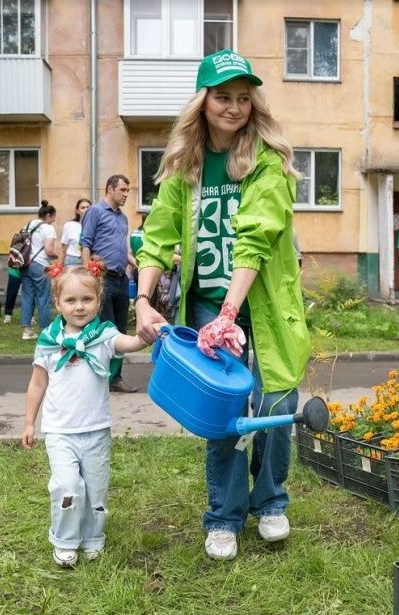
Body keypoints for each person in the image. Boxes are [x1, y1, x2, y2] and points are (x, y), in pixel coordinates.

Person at [133, 49, 310, 561]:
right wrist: (144, 300)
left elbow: (255, 238)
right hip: (209, 301)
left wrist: (233, 313)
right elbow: (158, 237)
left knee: (277, 402)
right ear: (203, 102)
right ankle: (225, 516)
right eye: (222, 97)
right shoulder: (184, 166)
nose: (234, 108)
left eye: (243, 98)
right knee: (225, 406)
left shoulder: (266, 162)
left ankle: (271, 500)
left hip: (264, 301)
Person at [22, 261, 157, 568]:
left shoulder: (104, 335)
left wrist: (145, 336)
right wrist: (30, 422)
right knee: (68, 488)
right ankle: (65, 539)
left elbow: (128, 342)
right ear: (57, 304)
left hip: (96, 431)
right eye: (70, 300)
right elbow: (37, 383)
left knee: (96, 490)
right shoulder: (48, 342)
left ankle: (93, 536)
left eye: (87, 299)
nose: (79, 307)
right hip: (59, 432)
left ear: (98, 300)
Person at [81, 175, 138, 393]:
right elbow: (85, 244)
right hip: (102, 279)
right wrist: (88, 277)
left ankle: (116, 378)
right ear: (110, 189)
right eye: (122, 190)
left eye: (128, 191)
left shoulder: (123, 218)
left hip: (121, 278)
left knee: (121, 331)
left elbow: (123, 249)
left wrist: (138, 264)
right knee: (106, 331)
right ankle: (100, 377)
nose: (126, 194)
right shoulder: (95, 211)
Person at [20, 201, 59, 341]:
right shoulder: (48, 229)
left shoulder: (28, 225)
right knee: (43, 298)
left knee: (27, 296)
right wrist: (58, 255)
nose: (53, 221)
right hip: (40, 265)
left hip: (25, 264)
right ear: (48, 215)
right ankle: (45, 331)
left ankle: (26, 330)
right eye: (53, 218)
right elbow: (48, 250)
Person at [61, 198, 91, 267]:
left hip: (89, 260)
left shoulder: (95, 226)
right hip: (73, 260)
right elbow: (63, 249)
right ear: (77, 211)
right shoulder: (69, 225)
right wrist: (58, 267)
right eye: (83, 208)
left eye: (88, 207)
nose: (86, 210)